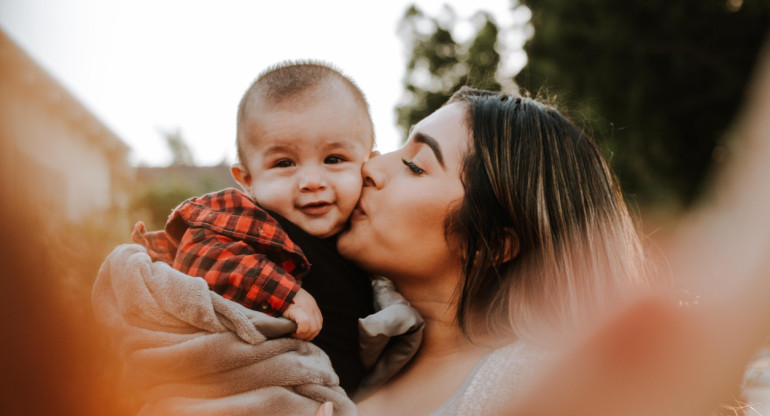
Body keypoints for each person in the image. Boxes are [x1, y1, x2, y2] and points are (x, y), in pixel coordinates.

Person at [327, 86, 655, 415]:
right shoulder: (333, 340)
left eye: (414, 166)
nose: (370, 166)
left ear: (493, 244)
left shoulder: (544, 393)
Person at [131, 60, 377, 394]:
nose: (311, 181)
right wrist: (283, 294)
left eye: (334, 159)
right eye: (284, 163)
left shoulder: (372, 234)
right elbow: (200, 253)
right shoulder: (253, 220)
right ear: (248, 181)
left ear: (370, 164)